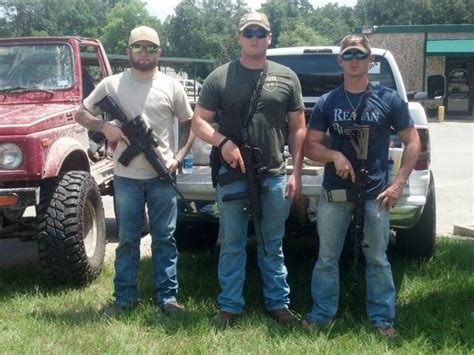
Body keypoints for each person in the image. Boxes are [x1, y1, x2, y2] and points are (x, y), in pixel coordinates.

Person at [192, 12, 306, 329]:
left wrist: (295, 173)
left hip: (273, 174)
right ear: (239, 38)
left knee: (272, 243)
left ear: (269, 37)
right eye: (248, 32)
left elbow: (298, 128)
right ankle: (229, 307)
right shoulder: (220, 77)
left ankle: (279, 305)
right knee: (231, 244)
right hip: (232, 176)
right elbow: (198, 122)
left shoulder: (287, 77)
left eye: (260, 32)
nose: (254, 38)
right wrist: (223, 143)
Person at [302, 34, 421, 337]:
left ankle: (383, 319)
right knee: (327, 257)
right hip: (335, 192)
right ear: (340, 61)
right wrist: (334, 155)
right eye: (348, 55)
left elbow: (413, 141)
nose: (354, 60)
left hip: (375, 194)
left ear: (371, 61)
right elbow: (310, 146)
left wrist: (398, 185)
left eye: (360, 55)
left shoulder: (389, 99)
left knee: (378, 259)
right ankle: (321, 313)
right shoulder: (329, 102)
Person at [74, 26, 194, 317]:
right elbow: (81, 113)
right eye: (138, 47)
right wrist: (106, 127)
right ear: (128, 51)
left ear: (159, 53)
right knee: (128, 239)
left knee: (165, 238)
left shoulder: (172, 86)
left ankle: (168, 298)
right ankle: (124, 298)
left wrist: (178, 157)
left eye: (151, 47)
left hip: (163, 176)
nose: (144, 52)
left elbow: (190, 124)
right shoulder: (112, 84)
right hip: (126, 178)